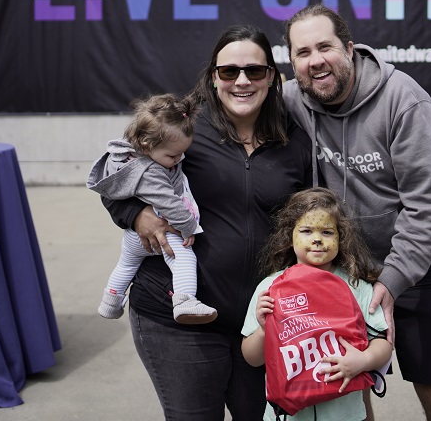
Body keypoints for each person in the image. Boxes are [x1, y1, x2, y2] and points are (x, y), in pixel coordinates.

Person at [101, 25, 314, 420]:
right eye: (229, 71)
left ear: (272, 76)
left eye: (254, 70)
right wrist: (135, 214)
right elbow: (117, 180)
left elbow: (314, 219)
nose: (242, 81)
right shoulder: (181, 131)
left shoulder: (294, 141)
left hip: (262, 321)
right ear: (214, 77)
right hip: (177, 323)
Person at [282, 3, 431, 421]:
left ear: (349, 49)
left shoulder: (404, 101)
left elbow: (425, 207)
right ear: (291, 62)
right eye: (302, 52)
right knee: (347, 390)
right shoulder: (292, 98)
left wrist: (393, 280)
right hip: (342, 269)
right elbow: (202, 118)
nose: (315, 61)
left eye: (325, 47)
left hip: (420, 269)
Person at [242, 187, 393, 421]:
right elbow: (252, 358)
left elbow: (382, 344)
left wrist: (363, 360)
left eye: (327, 232)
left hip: (345, 414)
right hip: (287, 416)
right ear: (289, 237)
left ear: (341, 237)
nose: (316, 239)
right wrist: (264, 329)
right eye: (306, 230)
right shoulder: (270, 288)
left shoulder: (357, 286)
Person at [86, 93, 217, 323]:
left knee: (126, 265)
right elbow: (170, 203)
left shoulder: (127, 157)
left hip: (132, 239)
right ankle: (185, 301)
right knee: (183, 258)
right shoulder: (150, 172)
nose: (179, 159)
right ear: (147, 145)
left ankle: (110, 302)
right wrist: (188, 227)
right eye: (173, 155)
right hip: (160, 231)